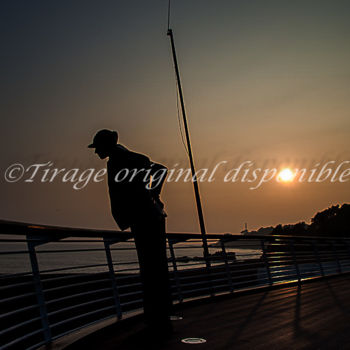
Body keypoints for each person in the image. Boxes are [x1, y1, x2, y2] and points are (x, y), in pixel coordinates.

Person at [88, 129, 173, 337]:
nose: (96, 151)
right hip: (148, 216)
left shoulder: (125, 159)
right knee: (155, 268)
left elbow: (161, 170)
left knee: (152, 268)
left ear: (107, 145)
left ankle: (157, 321)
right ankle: (159, 318)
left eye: (98, 147)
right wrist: (154, 194)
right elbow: (160, 170)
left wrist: (153, 194)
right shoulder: (128, 158)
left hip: (145, 218)